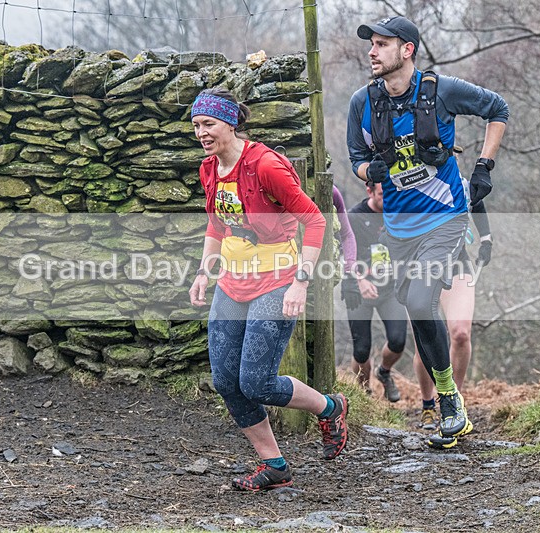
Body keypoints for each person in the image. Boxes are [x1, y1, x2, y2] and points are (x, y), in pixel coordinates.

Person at [347, 15, 508, 448]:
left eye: (382, 44)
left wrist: (484, 167)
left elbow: (498, 109)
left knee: (421, 301)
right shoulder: (362, 102)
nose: (372, 51)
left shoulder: (441, 91)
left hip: (445, 219)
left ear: (407, 50)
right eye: (371, 44)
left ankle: (449, 401)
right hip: (399, 230)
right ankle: (445, 404)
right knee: (418, 309)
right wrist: (368, 171)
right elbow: (356, 156)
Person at [188, 88, 349, 492]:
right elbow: (217, 224)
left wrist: (301, 282)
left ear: (230, 123)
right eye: (196, 125)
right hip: (232, 282)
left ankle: (330, 407)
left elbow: (314, 220)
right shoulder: (210, 169)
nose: (201, 133)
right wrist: (204, 272)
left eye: (208, 124)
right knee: (226, 381)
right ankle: (274, 465)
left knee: (257, 382)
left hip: (277, 280)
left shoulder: (265, 166)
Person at [414, 194, 493, 433]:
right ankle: (428, 404)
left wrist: (486, 238)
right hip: (418, 264)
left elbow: (474, 196)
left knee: (460, 333)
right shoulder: (407, 179)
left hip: (456, 261)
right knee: (424, 341)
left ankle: (454, 404)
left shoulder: (453, 178)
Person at [341, 181, 408, 401]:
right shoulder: (354, 217)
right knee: (361, 350)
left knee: (398, 341)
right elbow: (343, 254)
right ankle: (365, 394)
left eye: (391, 193)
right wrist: (359, 280)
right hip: (359, 289)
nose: (387, 198)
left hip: (390, 289)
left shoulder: (398, 213)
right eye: (382, 194)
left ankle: (384, 372)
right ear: (369, 191)